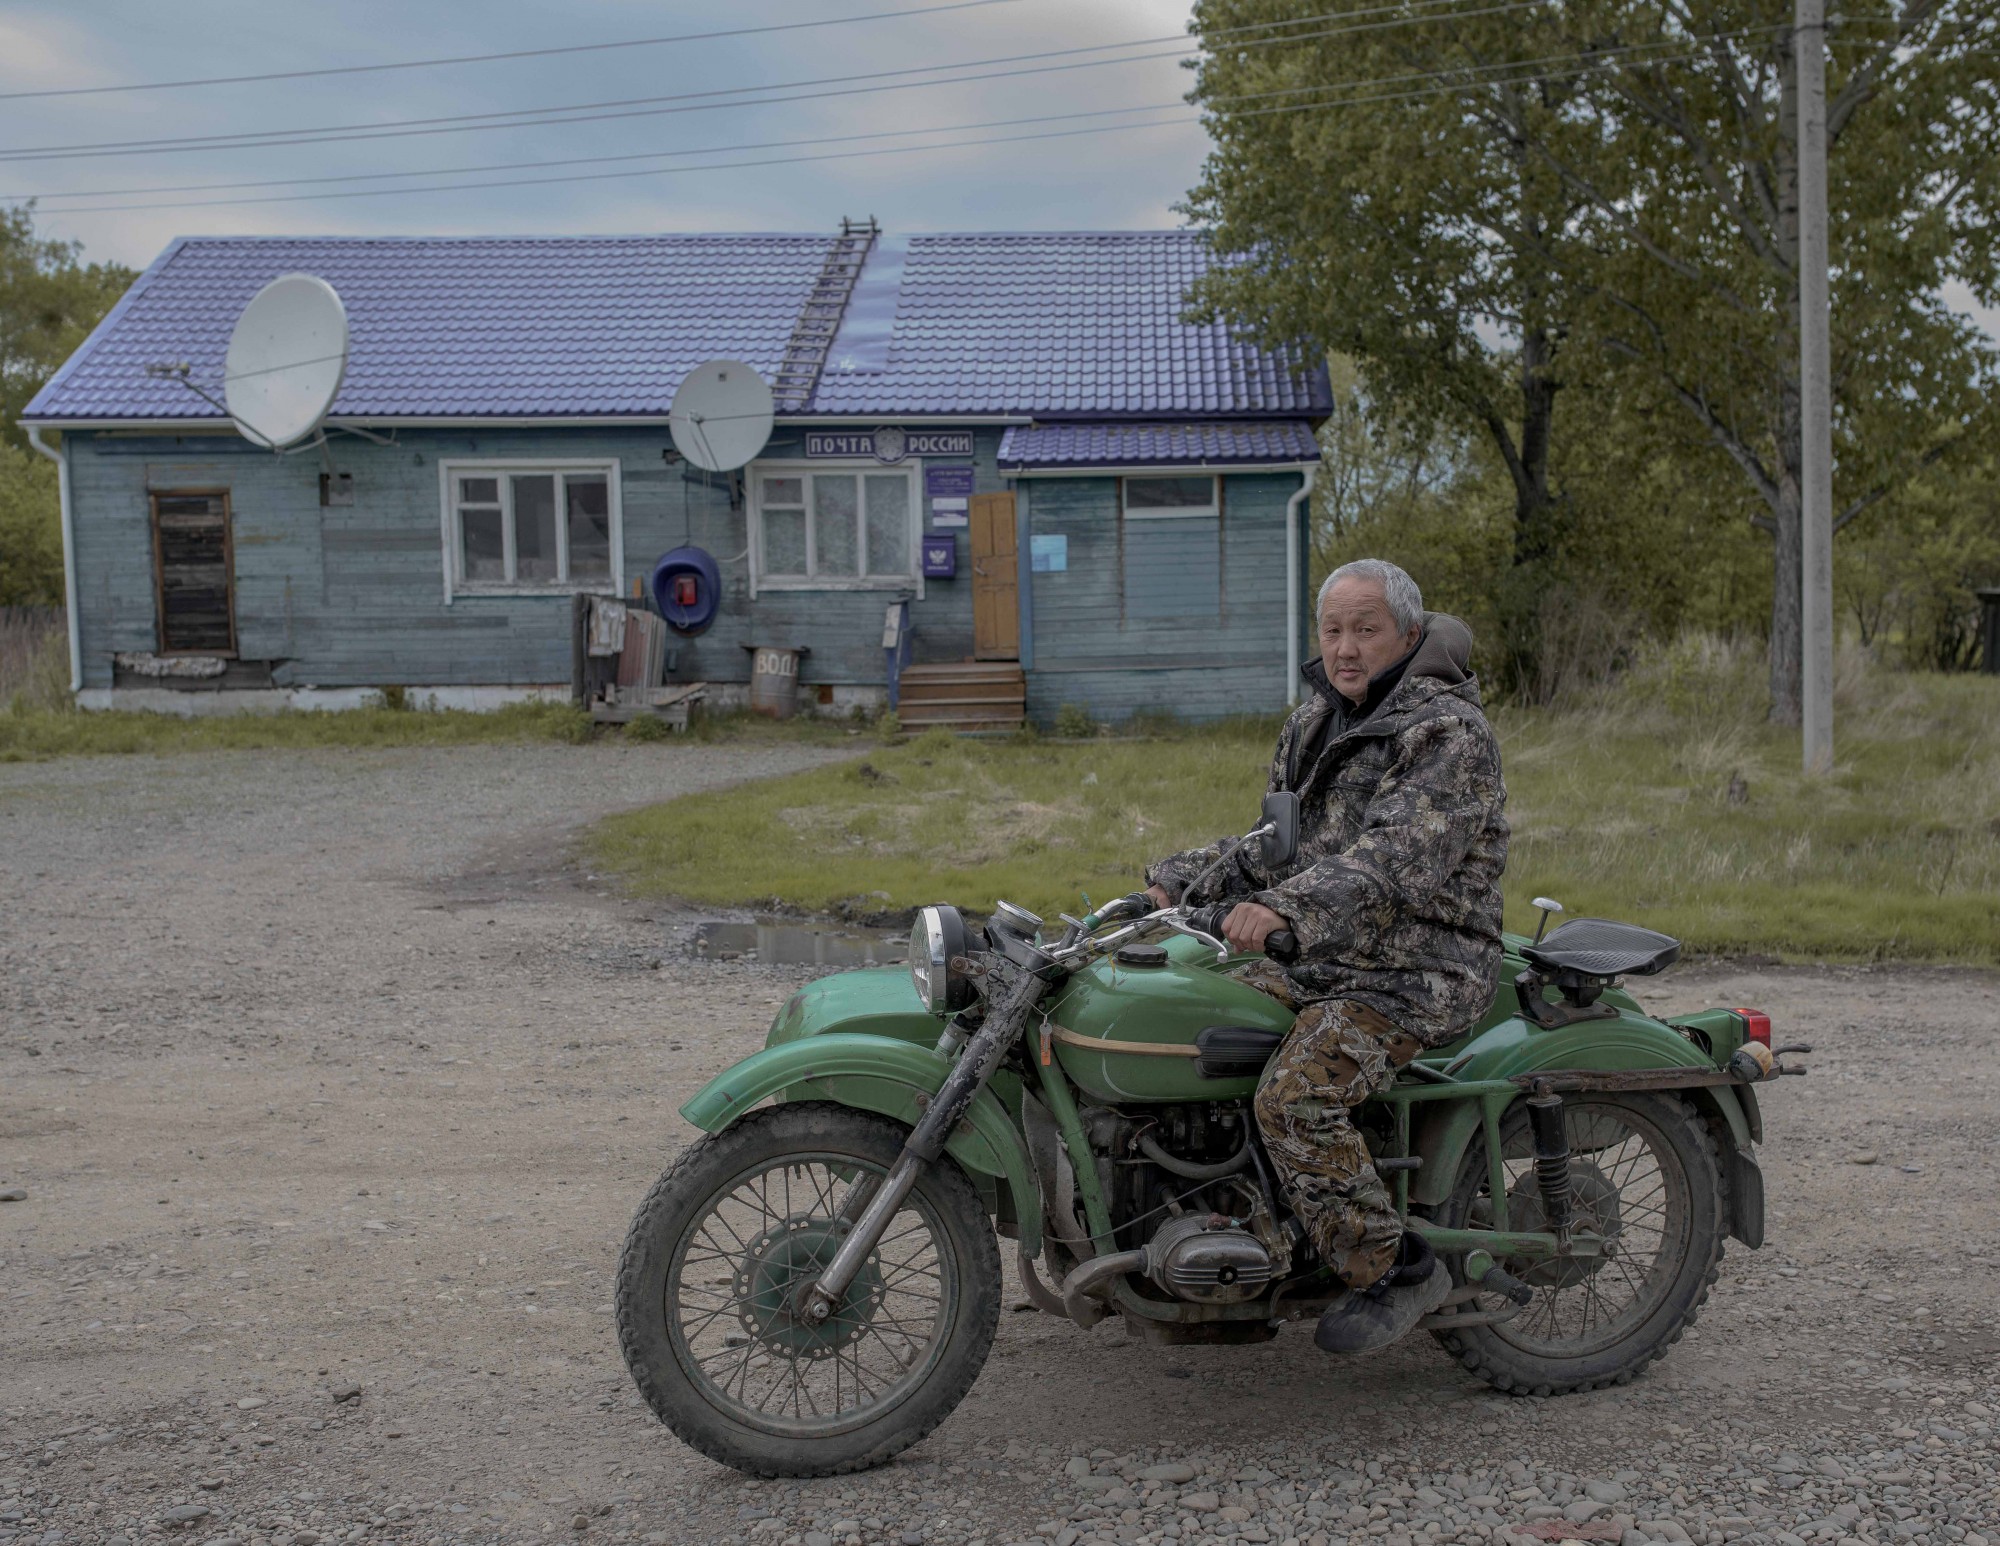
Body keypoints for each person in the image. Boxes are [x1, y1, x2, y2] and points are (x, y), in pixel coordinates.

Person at [1143, 558, 1509, 1353]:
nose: (1346, 648)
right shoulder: (1315, 721)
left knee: (1295, 1097)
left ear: (1408, 634)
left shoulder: (1446, 733)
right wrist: (1176, 878)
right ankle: (1251, 1241)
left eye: (1366, 630)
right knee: (1193, 1033)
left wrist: (1283, 908)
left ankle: (1395, 1270)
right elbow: (1272, 849)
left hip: (1416, 969)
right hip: (1323, 955)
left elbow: (1392, 862)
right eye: (1333, 630)